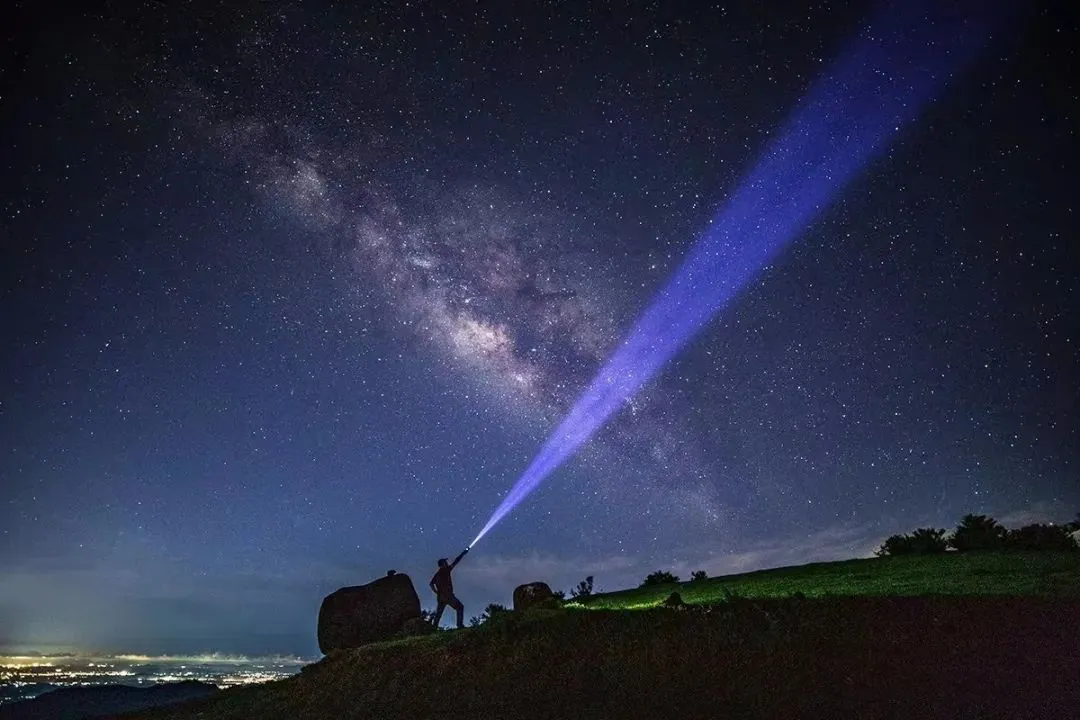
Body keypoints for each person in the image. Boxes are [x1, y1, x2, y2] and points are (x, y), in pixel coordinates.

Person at [429, 547, 468, 629]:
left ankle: (433, 628)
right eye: (445, 562)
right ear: (442, 564)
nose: (447, 563)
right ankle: (459, 625)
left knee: (439, 613)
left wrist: (436, 592)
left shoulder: (437, 573)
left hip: (440, 597)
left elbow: (431, 583)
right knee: (460, 607)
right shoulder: (445, 570)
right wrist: (463, 553)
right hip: (448, 595)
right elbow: (456, 561)